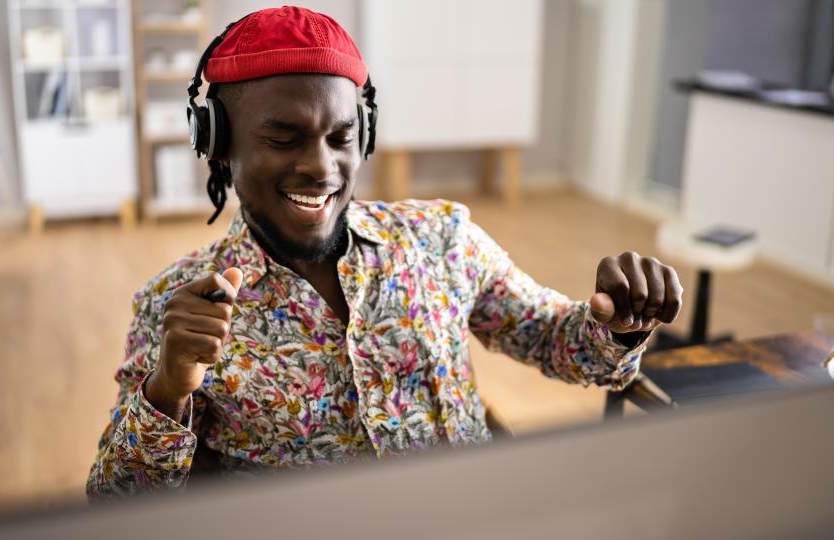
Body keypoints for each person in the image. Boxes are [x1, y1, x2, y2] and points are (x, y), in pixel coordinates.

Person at [87, 6, 683, 499]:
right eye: (283, 138)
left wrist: (618, 324)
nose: (321, 168)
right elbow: (116, 504)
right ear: (216, 143)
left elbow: (561, 344)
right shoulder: (174, 306)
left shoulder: (441, 239)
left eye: (341, 137)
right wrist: (167, 389)